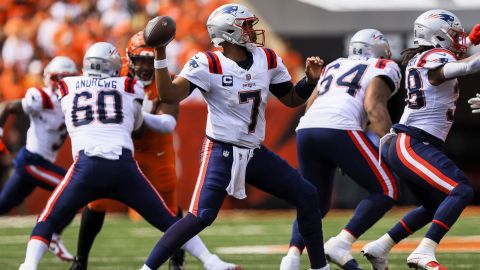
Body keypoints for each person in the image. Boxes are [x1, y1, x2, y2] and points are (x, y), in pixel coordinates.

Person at [140, 3, 330, 270]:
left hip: (254, 152)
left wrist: (308, 82)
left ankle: (320, 267)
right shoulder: (208, 62)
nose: (253, 31)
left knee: (307, 195)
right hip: (221, 150)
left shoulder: (268, 58)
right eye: (247, 26)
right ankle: (147, 268)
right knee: (200, 216)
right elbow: (169, 94)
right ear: (229, 32)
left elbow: (290, 99)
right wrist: (160, 53)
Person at [18, 42, 237, 270]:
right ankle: (210, 261)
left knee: (47, 219)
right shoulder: (130, 86)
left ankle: (29, 265)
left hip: (87, 167)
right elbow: (137, 123)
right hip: (123, 168)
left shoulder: (67, 85)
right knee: (168, 220)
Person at [361, 10, 480, 270]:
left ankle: (380, 247)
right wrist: (471, 46)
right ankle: (424, 251)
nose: (459, 40)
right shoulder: (436, 58)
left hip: (408, 143)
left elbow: (457, 58)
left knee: (435, 204)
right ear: (437, 36)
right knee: (461, 189)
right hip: (413, 142)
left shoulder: (425, 56)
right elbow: (469, 65)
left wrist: (470, 41)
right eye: (454, 35)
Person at [280, 29, 401, 270]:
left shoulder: (335, 64)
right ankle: (342, 242)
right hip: (340, 128)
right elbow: (373, 106)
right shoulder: (384, 65)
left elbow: (311, 104)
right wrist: (391, 143)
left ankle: (291, 258)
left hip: (308, 128)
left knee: (315, 202)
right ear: (378, 49)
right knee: (387, 188)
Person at [69, 32, 186, 270]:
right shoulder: (114, 73)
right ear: (128, 59)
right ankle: (80, 260)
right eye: (139, 60)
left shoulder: (166, 79)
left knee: (169, 207)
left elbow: (168, 124)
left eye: (149, 60)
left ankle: (177, 259)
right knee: (97, 202)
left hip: (156, 150)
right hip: (120, 147)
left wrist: (135, 114)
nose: (144, 67)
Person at [0, 56, 78, 262]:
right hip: (32, 161)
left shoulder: (73, 102)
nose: (63, 84)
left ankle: (53, 235)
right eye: (60, 79)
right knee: (73, 188)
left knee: (3, 204)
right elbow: (6, 107)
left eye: (68, 79)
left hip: (37, 162)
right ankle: (53, 235)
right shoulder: (42, 97)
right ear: (51, 79)